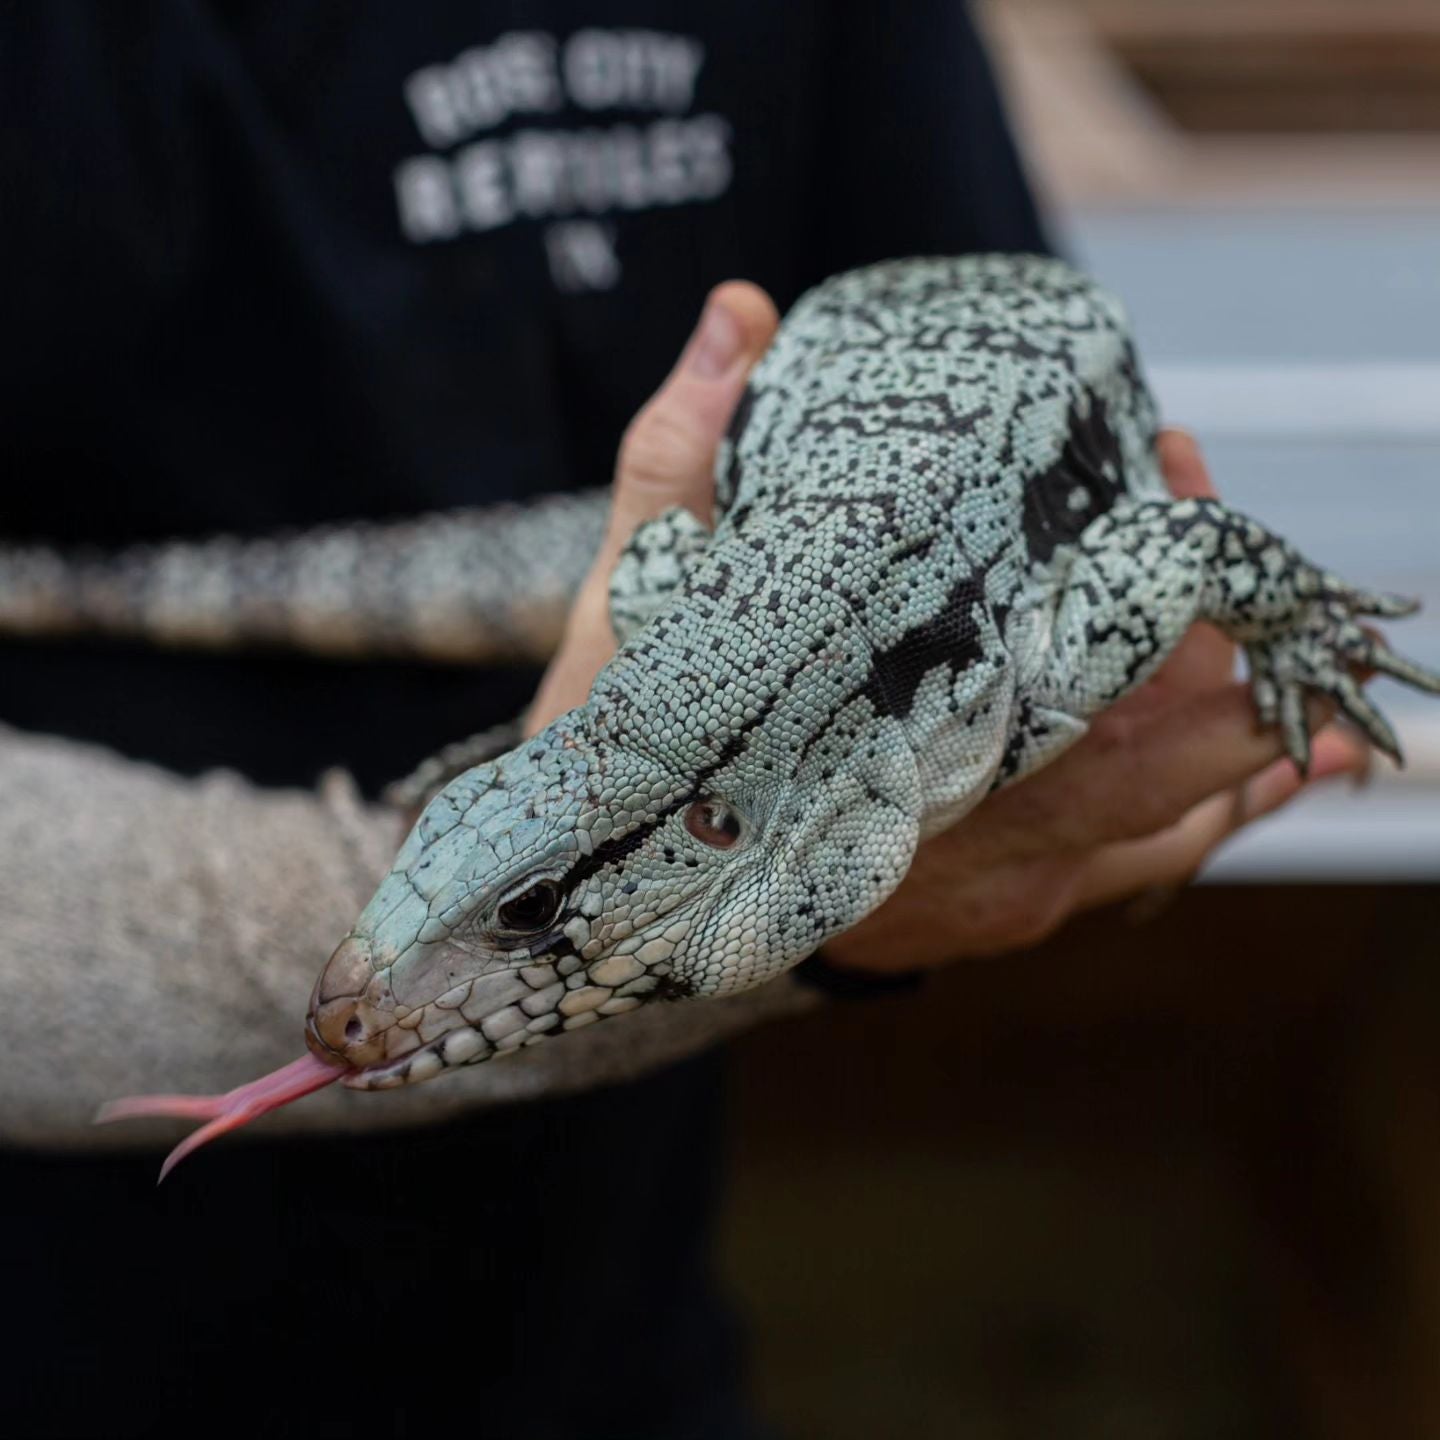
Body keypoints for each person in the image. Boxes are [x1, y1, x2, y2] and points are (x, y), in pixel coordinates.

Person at [0, 5, 1368, 1437]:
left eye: (522, 921)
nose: (351, 999)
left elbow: (1182, 540)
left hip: (597, 1325)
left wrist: (1311, 633)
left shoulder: (988, 678)